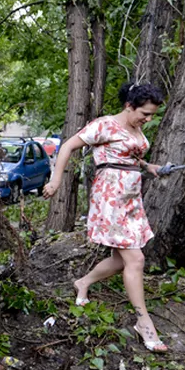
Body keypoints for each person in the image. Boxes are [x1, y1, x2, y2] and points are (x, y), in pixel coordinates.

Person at [44, 82, 168, 352]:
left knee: (119, 259)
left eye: (151, 115)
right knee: (135, 258)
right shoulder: (104, 125)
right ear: (128, 106)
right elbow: (66, 147)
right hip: (110, 197)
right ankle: (143, 322)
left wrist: (150, 167)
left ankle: (83, 282)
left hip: (132, 197)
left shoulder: (136, 128)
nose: (148, 119)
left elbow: (131, 157)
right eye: (144, 113)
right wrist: (55, 182)